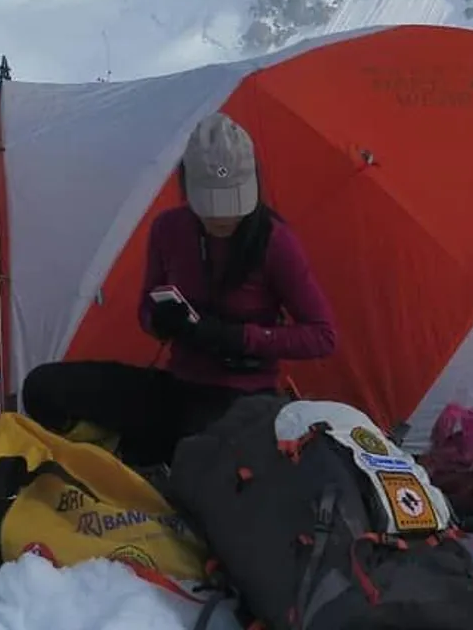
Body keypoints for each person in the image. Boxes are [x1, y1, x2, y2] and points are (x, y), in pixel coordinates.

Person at [21, 112, 337, 469]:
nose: (222, 219)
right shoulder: (168, 230)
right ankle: (132, 457)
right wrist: (160, 321)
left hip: (244, 398)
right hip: (177, 387)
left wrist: (239, 337)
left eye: (231, 206)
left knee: (196, 452)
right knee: (43, 388)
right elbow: (146, 309)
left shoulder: (275, 241)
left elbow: (322, 336)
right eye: (211, 207)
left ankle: (149, 457)